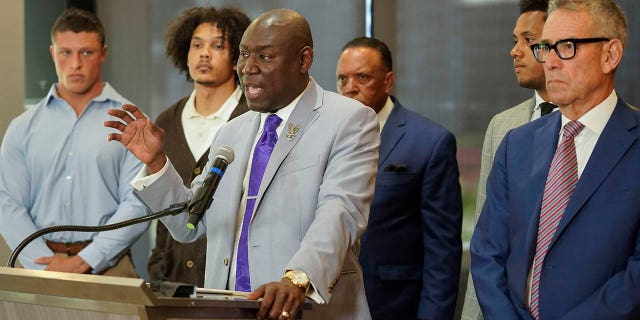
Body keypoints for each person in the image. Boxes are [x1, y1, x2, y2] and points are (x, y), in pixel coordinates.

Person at [105, 8, 379, 320]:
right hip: (230, 308)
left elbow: (340, 210)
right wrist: (156, 163)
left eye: (265, 56)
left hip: (305, 308)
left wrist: (297, 278)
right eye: (244, 55)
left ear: (303, 60)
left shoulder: (348, 119)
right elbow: (191, 223)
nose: (248, 68)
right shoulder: (232, 131)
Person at [471, 0, 640, 318]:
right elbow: (487, 252)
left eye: (566, 47)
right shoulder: (516, 144)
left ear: (610, 55)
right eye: (545, 47)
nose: (549, 61)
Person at [0, 8, 147, 277]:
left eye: (86, 52)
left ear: (103, 53)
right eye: (66, 52)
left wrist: (85, 260)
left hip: (110, 265)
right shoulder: (22, 127)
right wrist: (42, 261)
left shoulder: (131, 121)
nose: (75, 63)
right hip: (41, 268)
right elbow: (7, 203)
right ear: (53, 53)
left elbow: (138, 202)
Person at [336, 37, 462, 320]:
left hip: (394, 304)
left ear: (388, 81)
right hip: (331, 304)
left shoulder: (430, 142)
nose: (349, 88)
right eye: (342, 79)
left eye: (362, 77)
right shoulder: (325, 139)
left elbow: (442, 251)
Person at [146, 6, 250, 288]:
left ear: (237, 57)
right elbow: (162, 203)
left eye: (218, 45)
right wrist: (158, 264)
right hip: (173, 274)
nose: (205, 53)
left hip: (230, 279)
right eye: (197, 45)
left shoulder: (252, 119)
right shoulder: (167, 120)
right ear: (185, 52)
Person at [461, 1, 552, 319]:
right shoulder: (503, 126)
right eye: (515, 41)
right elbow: (485, 239)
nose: (515, 51)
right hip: (504, 305)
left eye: (528, 40)